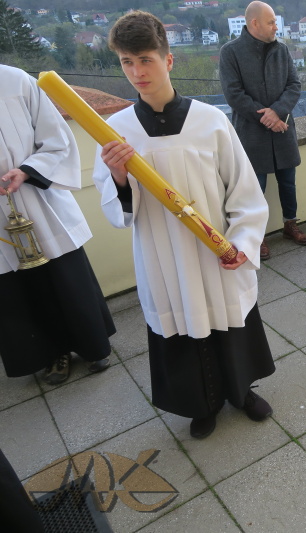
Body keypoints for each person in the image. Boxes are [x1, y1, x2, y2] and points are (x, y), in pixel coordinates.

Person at [94, 11, 274, 439]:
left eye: (146, 60)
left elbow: (244, 191)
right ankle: (201, 404)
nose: (137, 72)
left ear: (169, 60)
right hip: (163, 256)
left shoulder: (210, 121)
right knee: (182, 325)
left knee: (229, 319)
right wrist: (119, 177)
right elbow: (117, 212)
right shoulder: (115, 132)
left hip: (214, 250)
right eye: (126, 62)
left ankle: (241, 391)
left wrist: (242, 243)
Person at [0, 64, 115, 386]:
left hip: (37, 196)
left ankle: (93, 345)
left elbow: (57, 138)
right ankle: (53, 354)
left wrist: (26, 170)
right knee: (23, 289)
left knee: (66, 277)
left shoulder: (15, 81)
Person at [220, 1, 306, 261]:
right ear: (254, 23)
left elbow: (294, 85)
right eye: (271, 21)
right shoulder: (231, 52)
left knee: (288, 183)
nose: (275, 26)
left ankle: (290, 224)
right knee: (254, 188)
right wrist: (267, 116)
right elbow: (234, 95)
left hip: (282, 127)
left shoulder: (281, 50)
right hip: (251, 133)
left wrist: (278, 112)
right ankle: (256, 237)